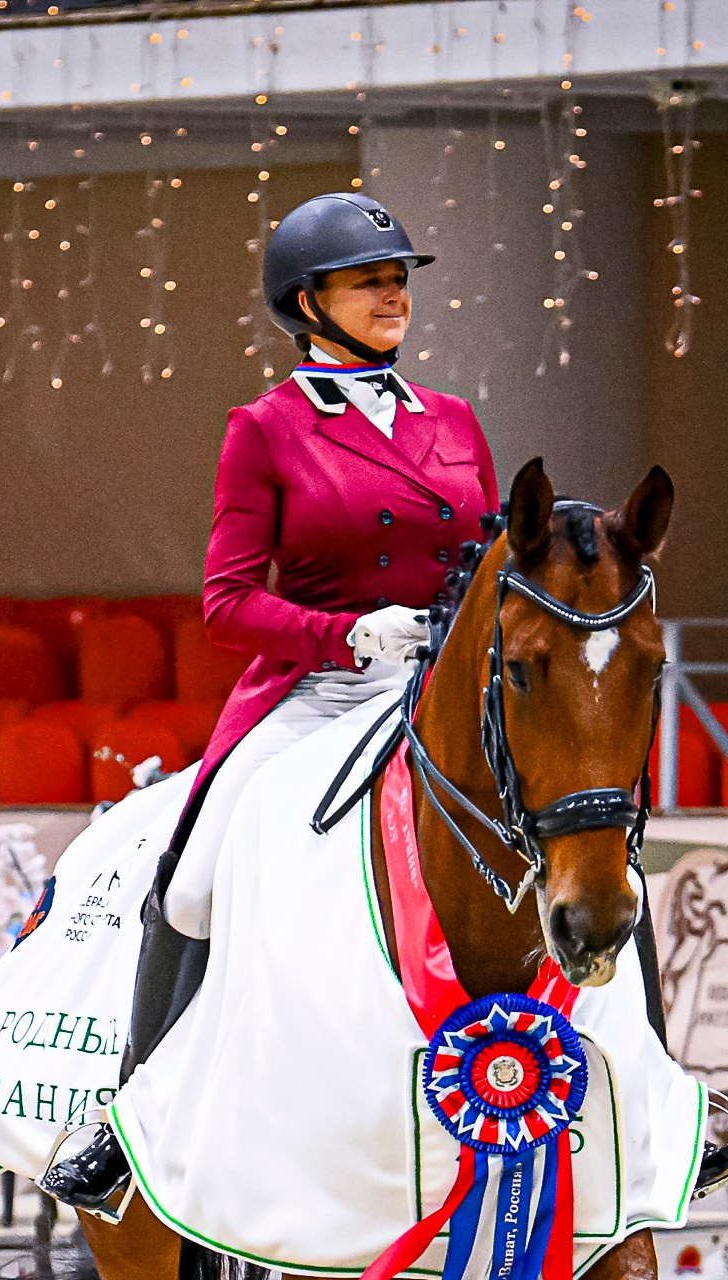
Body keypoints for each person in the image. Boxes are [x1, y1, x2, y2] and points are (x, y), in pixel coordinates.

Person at [41, 192, 499, 1214]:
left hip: (438, 686)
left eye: (399, 277)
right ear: (307, 301)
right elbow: (225, 602)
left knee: (586, 839)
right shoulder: (266, 429)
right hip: (318, 684)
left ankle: (661, 1083)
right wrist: (344, 633)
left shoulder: (453, 421)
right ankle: (133, 1112)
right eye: (367, 279)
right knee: (193, 876)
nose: (393, 292)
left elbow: (490, 557)